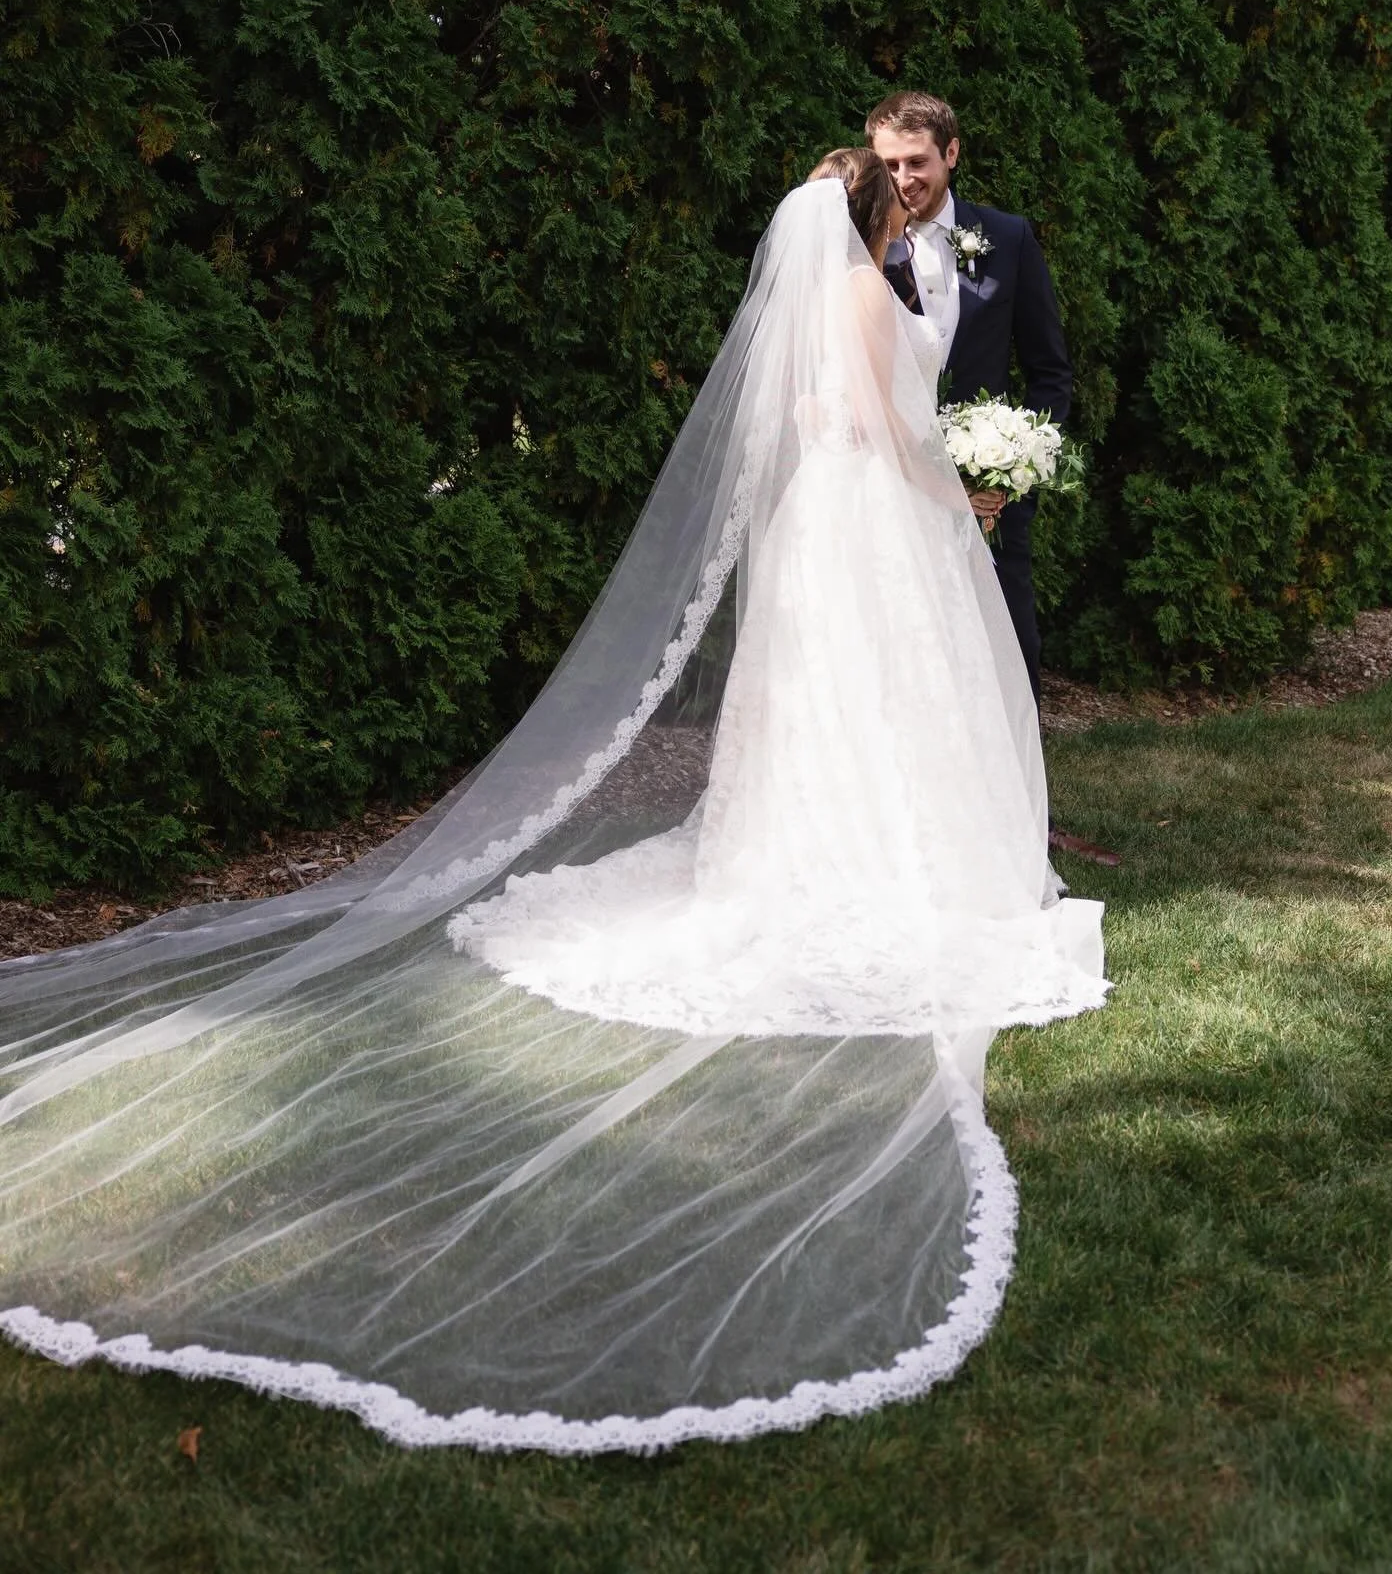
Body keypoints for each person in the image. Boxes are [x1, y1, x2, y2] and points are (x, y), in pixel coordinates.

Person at [0, 157, 1106, 1454]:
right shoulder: (867, 301)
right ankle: (880, 865)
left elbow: (811, 425)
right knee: (881, 701)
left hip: (817, 528)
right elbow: (895, 433)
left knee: (829, 711)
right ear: (880, 218)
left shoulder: (822, 298)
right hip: (877, 522)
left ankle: (799, 850)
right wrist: (963, 488)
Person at [867, 92, 1071, 710]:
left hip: (991, 501)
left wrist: (1020, 471)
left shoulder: (1006, 239)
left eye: (917, 162)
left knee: (1008, 644)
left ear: (951, 153)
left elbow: (1050, 371)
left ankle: (1024, 807)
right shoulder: (862, 250)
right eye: (889, 165)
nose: (903, 180)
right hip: (894, 493)